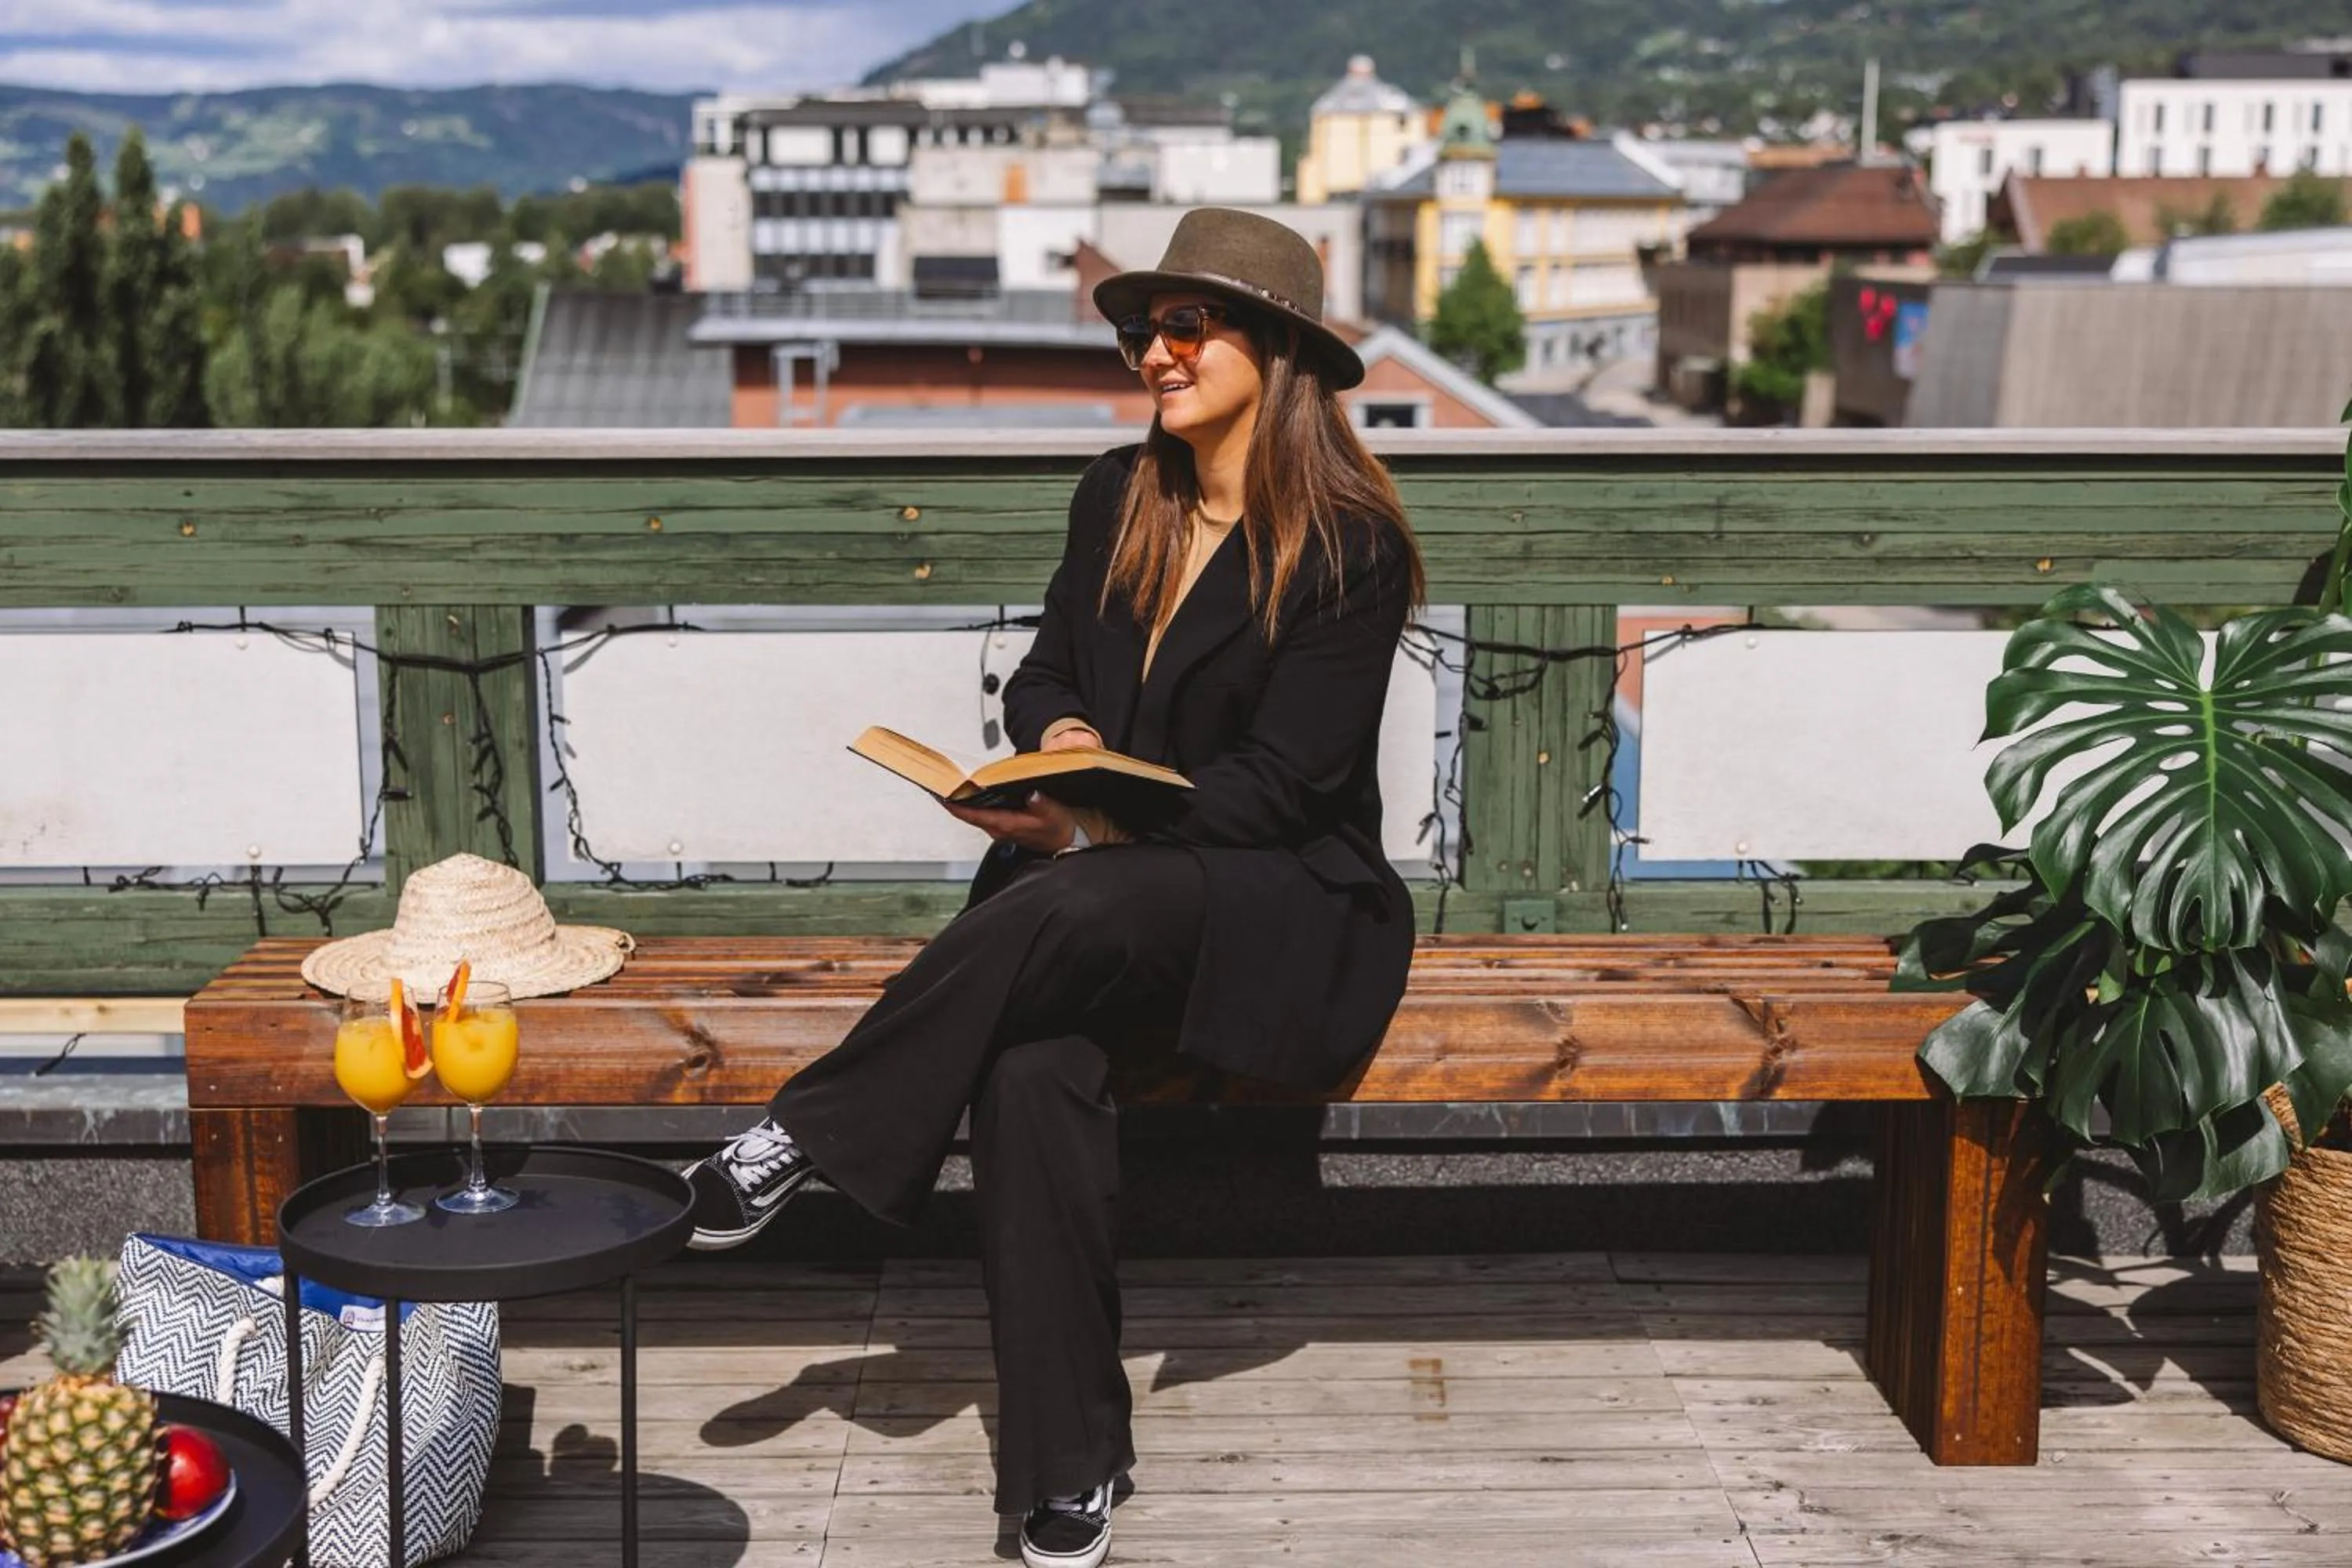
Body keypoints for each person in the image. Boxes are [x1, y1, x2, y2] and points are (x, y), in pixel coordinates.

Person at [682, 209, 1426, 1568]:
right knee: (1029, 1073)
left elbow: (1284, 790)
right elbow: (1043, 673)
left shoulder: (1350, 545)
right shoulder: (1117, 497)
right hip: (1096, 905)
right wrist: (1069, 740)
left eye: (1185, 326)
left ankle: (810, 1129)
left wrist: (1090, 833)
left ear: (1275, 345)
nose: (1153, 351)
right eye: (1141, 330)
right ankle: (1069, 1469)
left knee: (1086, 898)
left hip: (1282, 905)